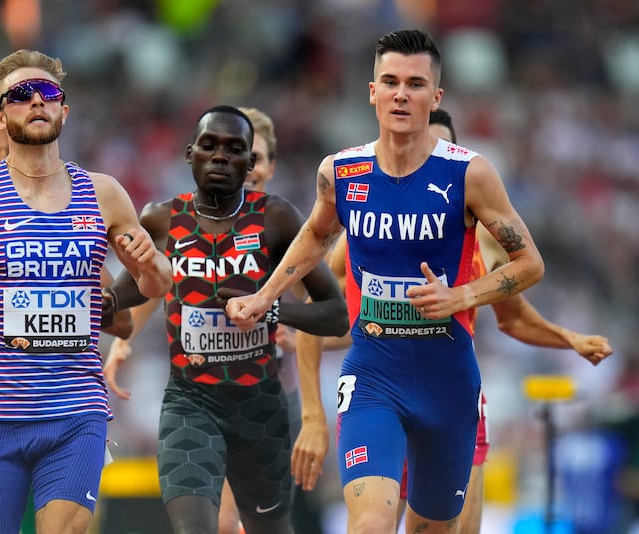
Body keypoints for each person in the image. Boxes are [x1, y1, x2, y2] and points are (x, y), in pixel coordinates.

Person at [225, 29, 546, 533]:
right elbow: (315, 236)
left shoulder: (471, 175)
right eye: (390, 81)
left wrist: (460, 295)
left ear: (435, 97)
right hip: (373, 377)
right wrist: (263, 297)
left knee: (429, 528)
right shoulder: (341, 172)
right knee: (371, 521)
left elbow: (529, 263)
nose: (401, 94)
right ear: (372, 91)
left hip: (448, 384)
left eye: (415, 84)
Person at [305, 108, 613, 534]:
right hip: (382, 388)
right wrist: (306, 346)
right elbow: (340, 315)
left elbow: (513, 319)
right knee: (373, 522)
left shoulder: (483, 235)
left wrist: (570, 339)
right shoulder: (365, 229)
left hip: (450, 393)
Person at [0, 49, 171, 534]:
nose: (37, 102)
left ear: (64, 110)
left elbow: (157, 283)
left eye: (48, 93)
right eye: (21, 95)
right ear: (0, 117)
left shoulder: (105, 193)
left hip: (76, 412)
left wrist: (148, 266)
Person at [103, 104, 348, 534]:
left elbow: (336, 314)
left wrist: (268, 309)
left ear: (250, 162)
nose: (220, 157)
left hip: (260, 406)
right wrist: (85, 304)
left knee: (269, 529)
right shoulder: (160, 219)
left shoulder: (276, 218)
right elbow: (124, 295)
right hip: (190, 403)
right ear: (189, 154)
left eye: (234, 149)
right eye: (209, 146)